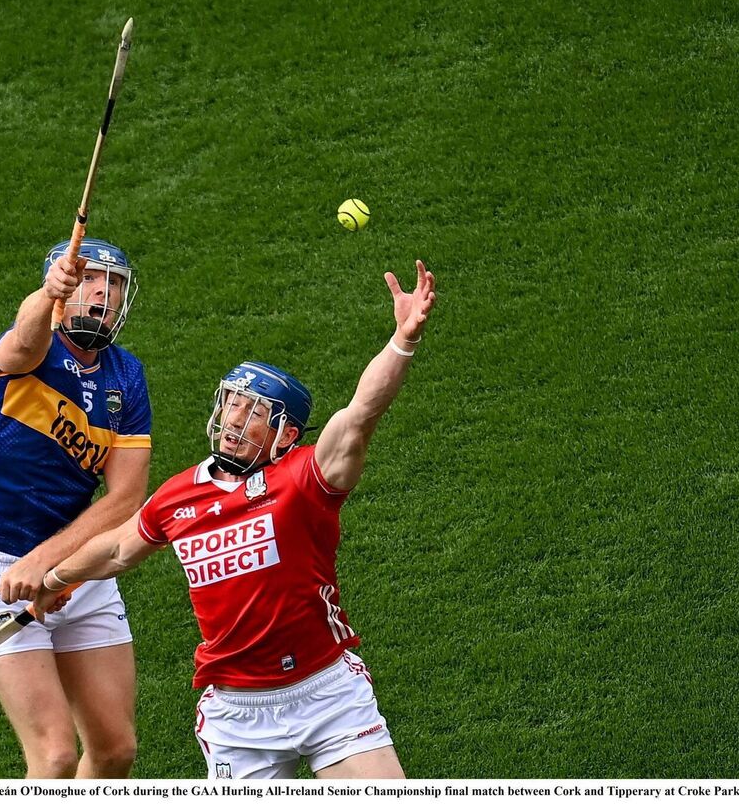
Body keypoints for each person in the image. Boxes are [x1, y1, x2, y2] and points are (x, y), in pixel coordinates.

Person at [34, 260, 437, 779]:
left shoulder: (305, 479)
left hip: (327, 693)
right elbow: (116, 550)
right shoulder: (178, 496)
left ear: (286, 435)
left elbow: (361, 413)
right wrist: (55, 579)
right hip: (236, 712)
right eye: (232, 405)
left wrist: (402, 339)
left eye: (255, 413)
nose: (234, 422)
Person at [0, 238, 151, 778]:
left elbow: (127, 497)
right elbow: (24, 338)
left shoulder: (126, 378)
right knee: (55, 756)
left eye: (115, 284)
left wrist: (56, 570)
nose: (103, 294)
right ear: (62, 290)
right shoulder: (26, 353)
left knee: (114, 751)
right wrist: (44, 296)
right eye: (88, 280)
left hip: (76, 569)